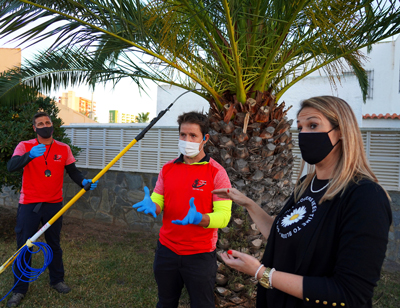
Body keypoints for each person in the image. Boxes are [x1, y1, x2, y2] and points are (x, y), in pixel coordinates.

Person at [212, 96, 392, 308]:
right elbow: (283, 235)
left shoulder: (365, 196)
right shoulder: (306, 185)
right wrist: (248, 203)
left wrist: (262, 273)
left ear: (342, 131)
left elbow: (349, 292)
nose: (304, 134)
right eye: (300, 128)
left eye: (313, 125)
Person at [132, 111, 232, 308]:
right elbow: (158, 201)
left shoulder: (216, 173)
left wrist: (200, 218)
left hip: (200, 255)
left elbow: (224, 216)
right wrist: (152, 205)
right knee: (166, 302)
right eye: (183, 135)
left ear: (205, 139)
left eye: (193, 136)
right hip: (167, 251)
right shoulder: (168, 169)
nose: (187, 140)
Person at [6, 112, 98, 308]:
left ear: (52, 125)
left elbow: (73, 171)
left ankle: (57, 280)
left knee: (54, 244)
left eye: (48, 122)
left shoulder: (63, 148)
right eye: (40, 123)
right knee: (25, 246)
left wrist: (84, 182)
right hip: (30, 204)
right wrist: (29, 156)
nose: (45, 125)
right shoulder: (25, 146)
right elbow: (11, 166)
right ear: (34, 128)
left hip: (54, 204)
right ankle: (19, 290)